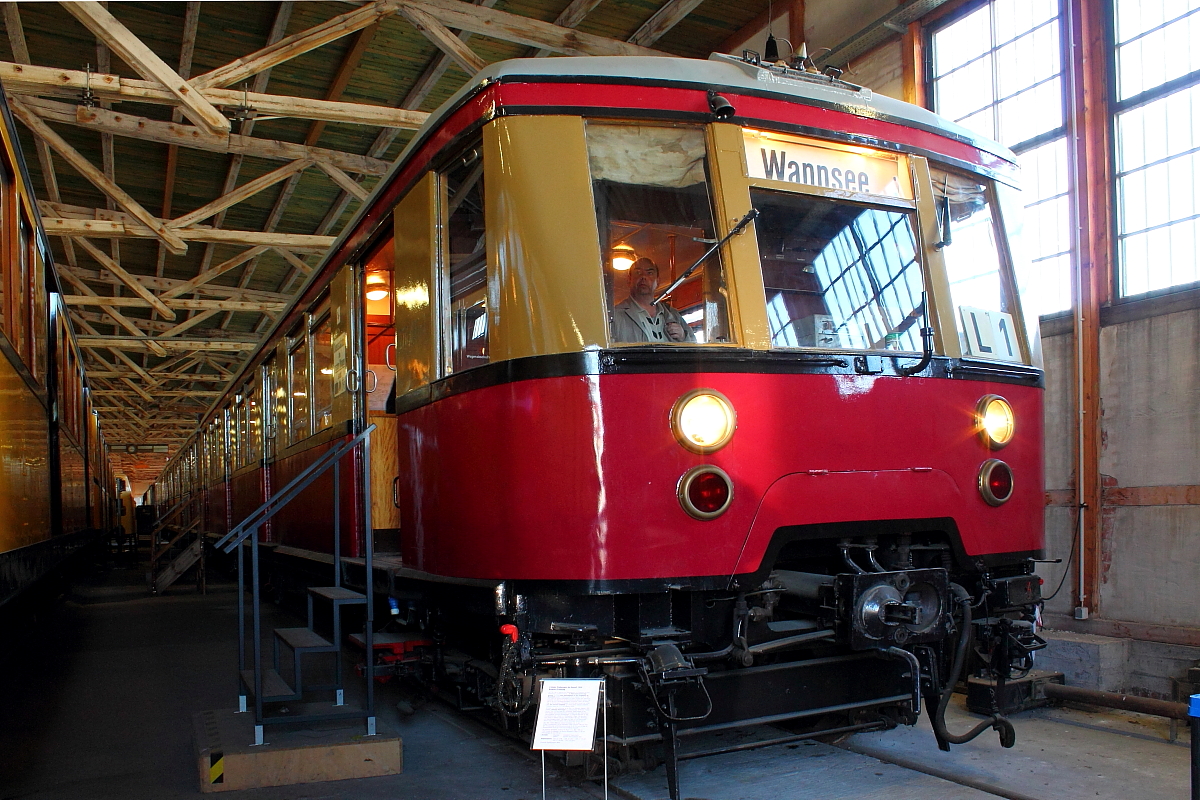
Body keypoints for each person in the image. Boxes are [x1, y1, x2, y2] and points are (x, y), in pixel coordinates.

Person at [611, 258, 694, 343]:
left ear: (658, 281)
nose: (643, 277)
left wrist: (683, 336)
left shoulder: (673, 314)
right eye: (638, 273)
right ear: (629, 279)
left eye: (649, 273)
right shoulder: (615, 316)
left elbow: (696, 350)